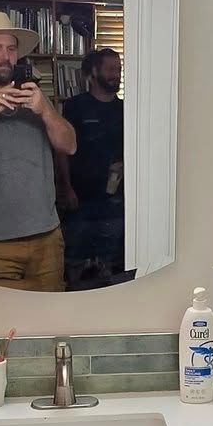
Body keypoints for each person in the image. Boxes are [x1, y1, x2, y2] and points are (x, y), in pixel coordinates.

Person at [0, 11, 75, 289]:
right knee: (1, 326)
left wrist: (45, 110)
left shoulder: (35, 97)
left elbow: (70, 146)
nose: (5, 56)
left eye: (11, 49)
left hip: (47, 237)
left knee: (50, 322)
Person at [59, 47, 128, 286]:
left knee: (112, 266)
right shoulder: (74, 107)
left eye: (119, 69)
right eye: (110, 69)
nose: (116, 74)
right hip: (80, 200)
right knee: (75, 263)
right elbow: (62, 153)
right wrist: (67, 188)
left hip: (116, 203)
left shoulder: (127, 111)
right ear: (94, 71)